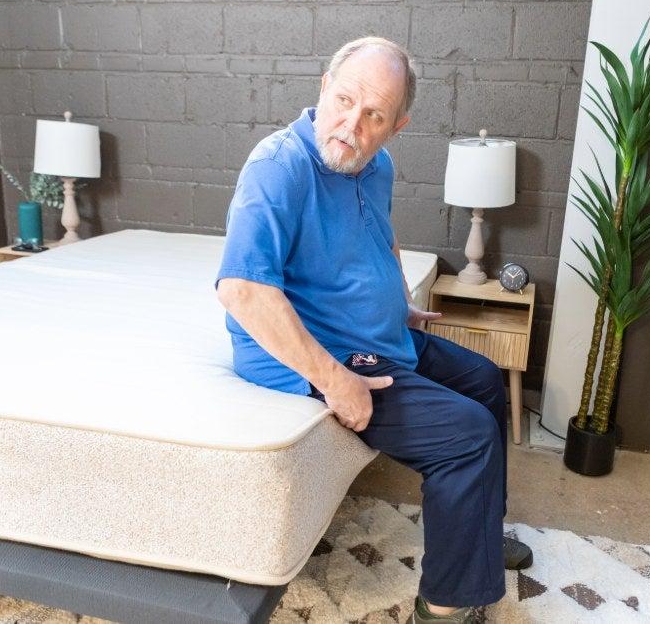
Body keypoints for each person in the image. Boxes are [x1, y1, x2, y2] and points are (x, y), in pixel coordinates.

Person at [215, 36, 532, 623]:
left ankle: (479, 540)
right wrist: (335, 382)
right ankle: (441, 609)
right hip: (322, 353)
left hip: (377, 335)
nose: (351, 124)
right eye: (344, 100)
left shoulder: (373, 162)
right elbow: (242, 291)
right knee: (467, 437)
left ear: (396, 126)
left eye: (374, 115)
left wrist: (396, 304)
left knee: (486, 380)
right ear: (323, 87)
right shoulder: (278, 167)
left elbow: (373, 236)